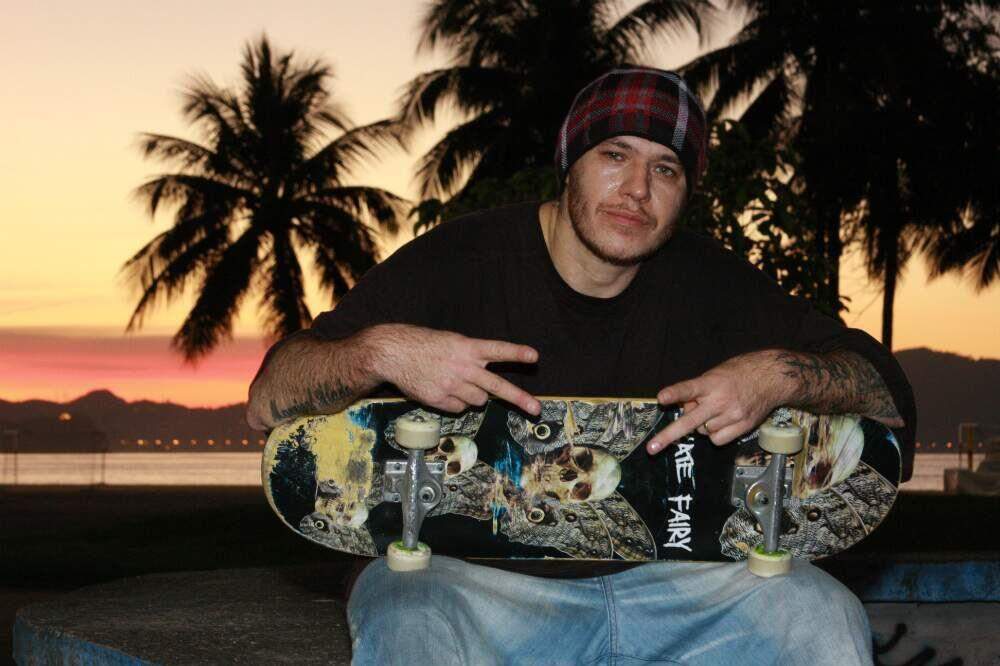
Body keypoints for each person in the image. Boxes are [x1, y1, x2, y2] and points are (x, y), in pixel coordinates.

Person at [248, 67, 915, 665]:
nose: (637, 190)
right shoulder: (459, 261)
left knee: (821, 612)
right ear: (569, 164)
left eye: (665, 170)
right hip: (476, 585)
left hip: (680, 586)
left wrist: (779, 375)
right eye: (614, 155)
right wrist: (380, 352)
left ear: (686, 193)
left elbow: (889, 396)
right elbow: (268, 399)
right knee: (405, 611)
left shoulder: (712, 283)